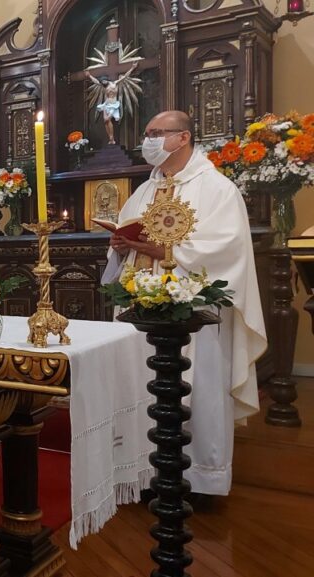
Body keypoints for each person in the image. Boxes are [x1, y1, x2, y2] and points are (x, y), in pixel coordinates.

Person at [105, 110, 267, 497]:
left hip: (195, 315)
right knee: (140, 385)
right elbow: (129, 244)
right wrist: (119, 246)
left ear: (183, 138)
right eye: (147, 134)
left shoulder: (216, 189)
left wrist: (159, 248)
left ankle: (199, 479)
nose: (149, 141)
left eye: (157, 133)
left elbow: (225, 250)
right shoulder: (145, 190)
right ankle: (143, 473)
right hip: (141, 308)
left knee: (201, 385)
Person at [86, 61, 139, 145]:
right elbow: (95, 81)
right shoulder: (103, 87)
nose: (103, 82)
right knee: (105, 121)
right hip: (106, 104)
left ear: (107, 79)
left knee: (108, 119)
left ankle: (111, 137)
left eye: (104, 81)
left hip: (113, 105)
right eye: (102, 81)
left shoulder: (114, 83)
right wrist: (89, 76)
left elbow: (125, 77)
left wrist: (132, 67)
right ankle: (111, 139)